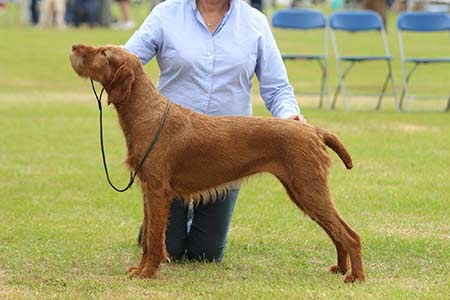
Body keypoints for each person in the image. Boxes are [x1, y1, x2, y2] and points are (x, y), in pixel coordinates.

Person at [124, 0, 306, 262]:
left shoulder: (254, 21)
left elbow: (277, 88)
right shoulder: (166, 13)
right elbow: (128, 60)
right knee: (170, 249)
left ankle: (173, 218)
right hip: (170, 148)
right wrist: (99, 57)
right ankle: (157, 226)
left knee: (205, 254)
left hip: (226, 151)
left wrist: (290, 117)